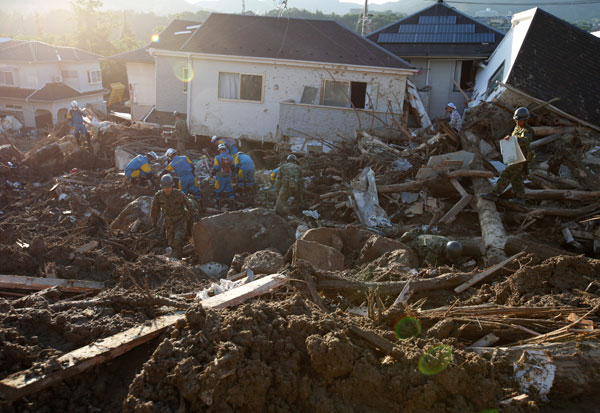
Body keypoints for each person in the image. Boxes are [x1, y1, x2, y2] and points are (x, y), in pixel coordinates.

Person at [481, 107, 535, 203]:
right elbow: (514, 138)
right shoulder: (517, 128)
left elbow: (526, 141)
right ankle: (520, 198)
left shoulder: (527, 130)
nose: (517, 122)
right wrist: (509, 139)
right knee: (516, 177)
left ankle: (495, 194)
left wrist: (514, 139)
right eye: (516, 120)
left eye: (519, 120)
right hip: (514, 155)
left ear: (525, 120)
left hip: (520, 157)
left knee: (506, 174)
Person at [151, 174, 193, 259]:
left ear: (172, 186)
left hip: (180, 220)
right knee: (171, 243)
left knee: (178, 240)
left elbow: (189, 205)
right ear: (162, 187)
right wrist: (154, 223)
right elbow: (155, 211)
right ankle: (176, 258)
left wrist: (193, 218)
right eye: (165, 187)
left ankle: (178, 260)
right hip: (168, 222)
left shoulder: (179, 194)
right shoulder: (159, 196)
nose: (167, 189)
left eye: (169, 187)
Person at [400, 228, 464, 267]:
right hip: (413, 245)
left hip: (421, 238)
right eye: (449, 256)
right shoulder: (434, 250)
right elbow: (427, 266)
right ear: (446, 251)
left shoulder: (447, 241)